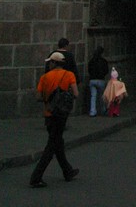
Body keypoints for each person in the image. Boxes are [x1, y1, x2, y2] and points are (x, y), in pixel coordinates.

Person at [29, 52, 80, 188]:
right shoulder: (69, 75)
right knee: (52, 145)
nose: (49, 64)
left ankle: (67, 171)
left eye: (50, 62)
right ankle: (36, 177)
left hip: (49, 114)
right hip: (62, 115)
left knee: (57, 142)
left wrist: (49, 98)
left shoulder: (45, 77)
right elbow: (76, 94)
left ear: (53, 63)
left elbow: (38, 97)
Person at [87, 46, 109, 116]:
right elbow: (106, 71)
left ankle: (92, 111)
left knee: (93, 96)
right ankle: (103, 109)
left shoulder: (91, 61)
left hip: (92, 80)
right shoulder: (104, 61)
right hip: (101, 80)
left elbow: (89, 70)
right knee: (101, 96)